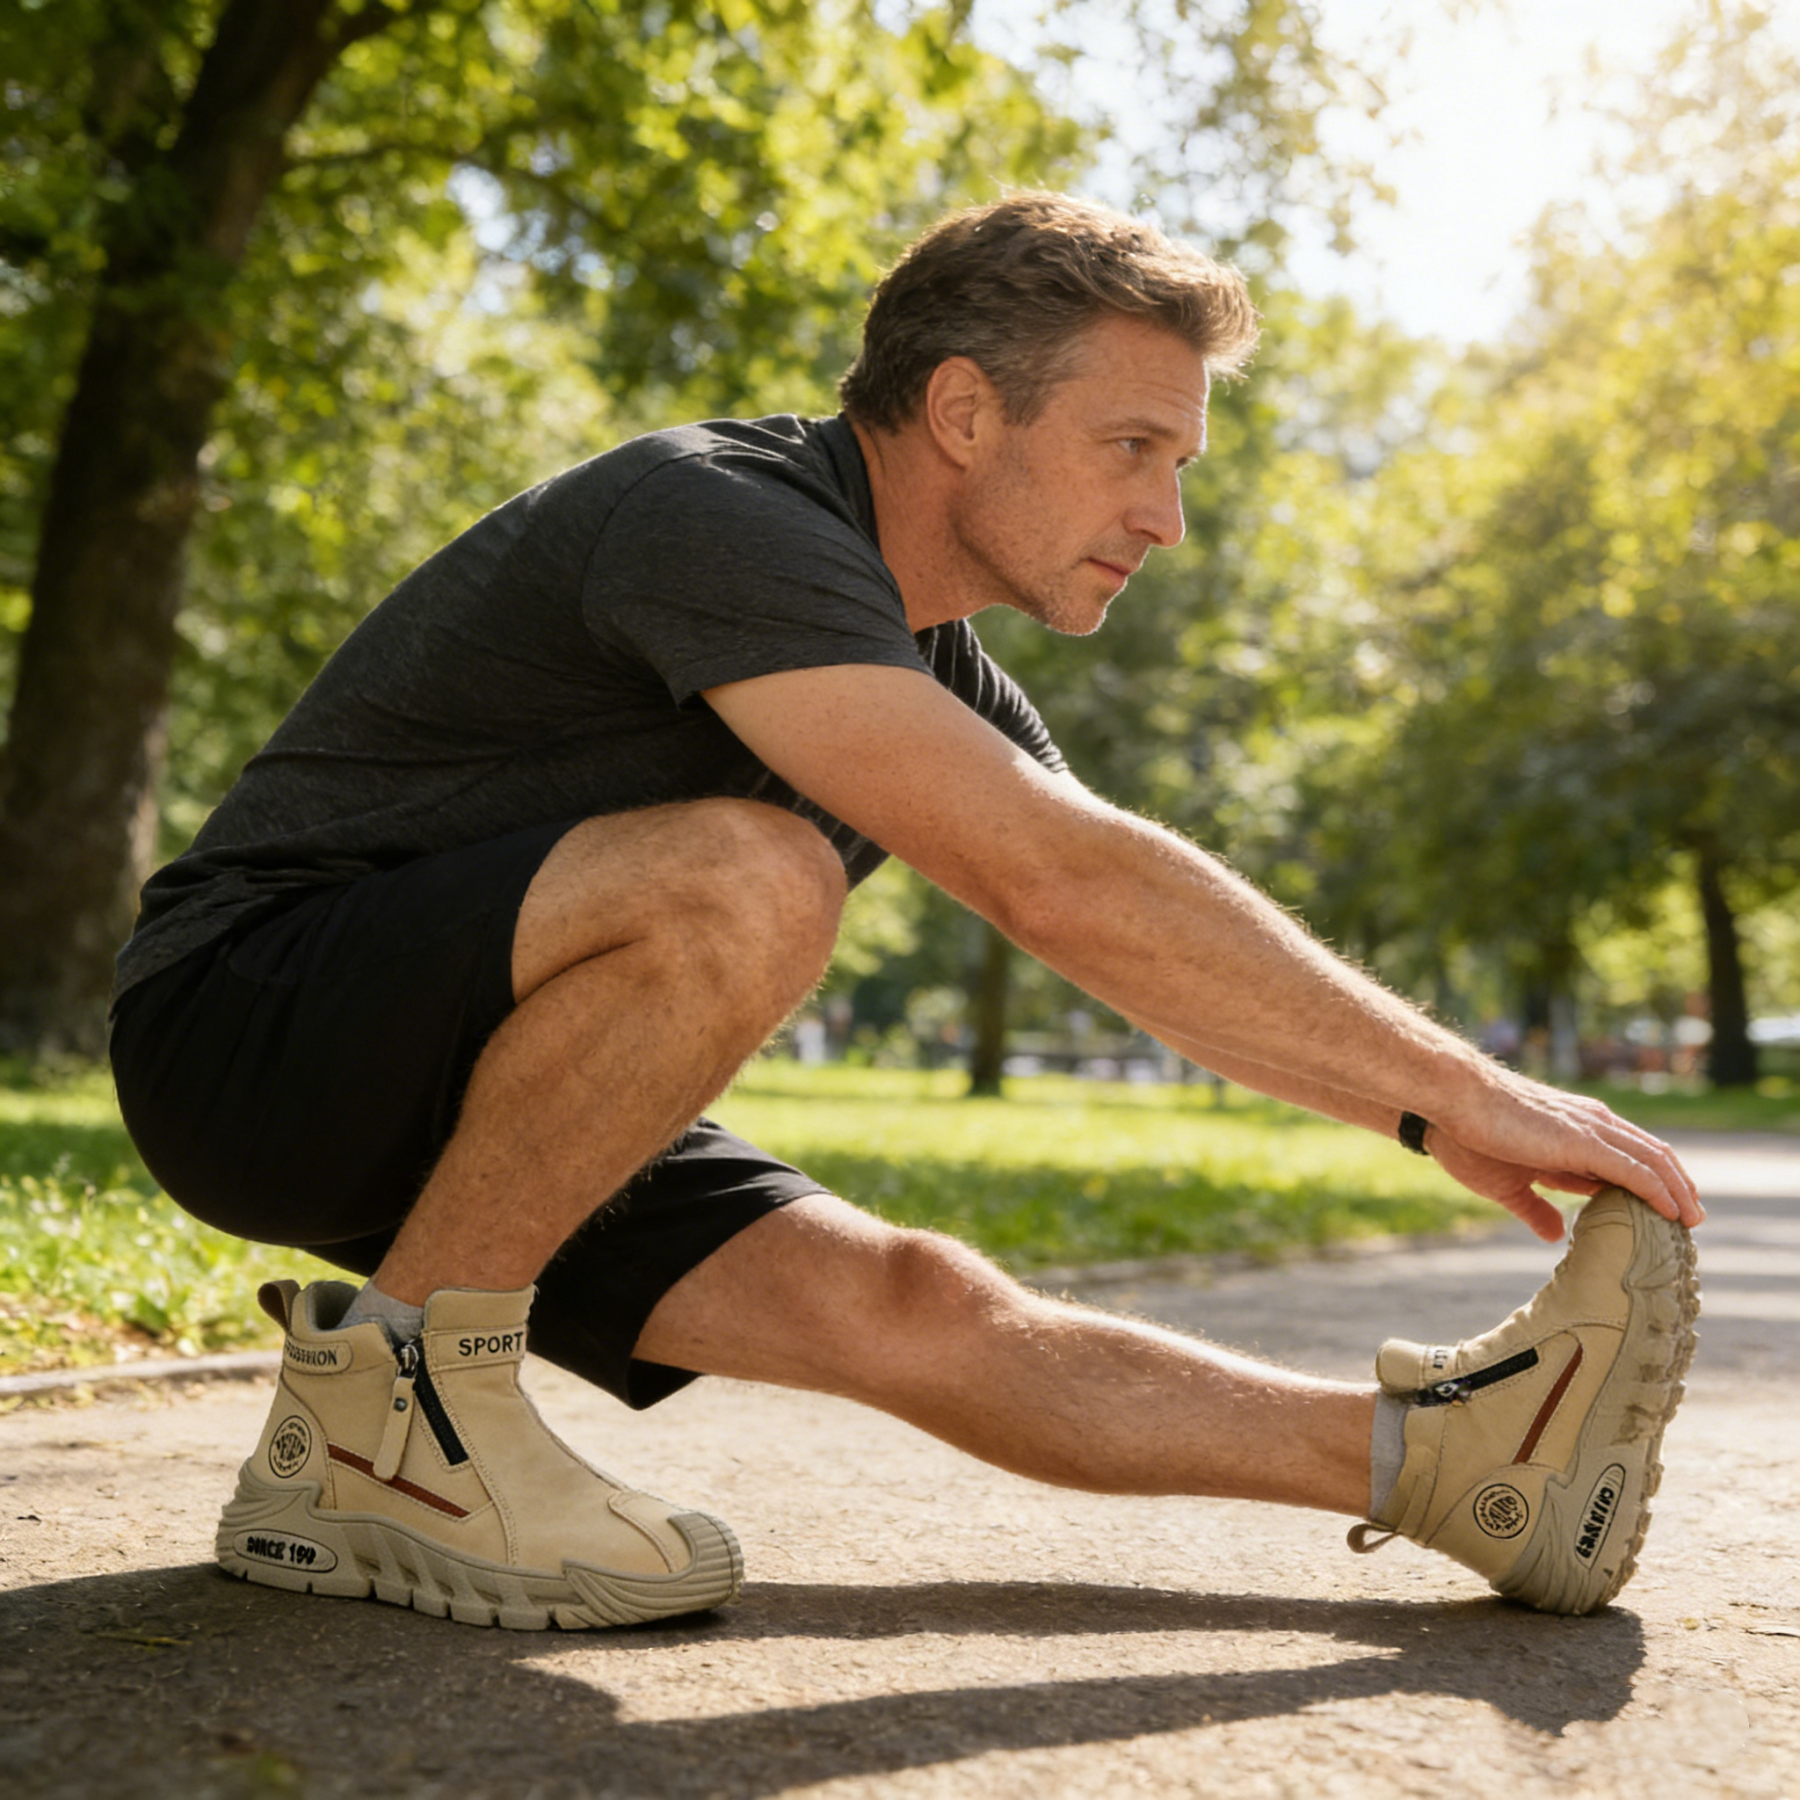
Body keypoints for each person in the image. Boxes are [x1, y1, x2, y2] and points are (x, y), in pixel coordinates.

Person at [108, 192, 1703, 1631]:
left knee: (921, 1302)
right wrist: (1473, 1082)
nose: (1167, 518)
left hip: (491, 1097)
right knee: (751, 872)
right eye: (1133, 447)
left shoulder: (937, 673)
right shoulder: (716, 512)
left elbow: (1122, 933)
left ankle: (1467, 1472)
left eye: (1182, 465)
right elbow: (1059, 874)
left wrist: (1432, 1123)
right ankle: (387, 1428)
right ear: (960, 408)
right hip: (245, 1023)